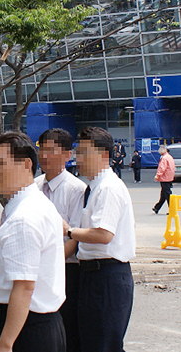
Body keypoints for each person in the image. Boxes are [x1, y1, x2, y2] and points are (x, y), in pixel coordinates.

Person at [0, 131, 66, 352]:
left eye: (0, 164)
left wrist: (5, 343)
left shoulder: (24, 217)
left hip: (25, 329)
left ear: (26, 165)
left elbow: (24, 287)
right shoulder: (35, 203)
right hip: (39, 324)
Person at [63, 126, 135, 352]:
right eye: (78, 152)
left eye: (85, 153)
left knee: (103, 344)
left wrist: (69, 231)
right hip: (92, 275)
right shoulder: (95, 188)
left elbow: (103, 234)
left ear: (104, 155)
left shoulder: (108, 188)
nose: (79, 159)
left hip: (107, 276)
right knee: (90, 341)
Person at [36, 128, 86, 352]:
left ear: (68, 155)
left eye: (51, 151)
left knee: (66, 329)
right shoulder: (33, 187)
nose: (44, 156)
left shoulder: (77, 189)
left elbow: (75, 237)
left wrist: (51, 262)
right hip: (36, 269)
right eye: (41, 150)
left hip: (66, 271)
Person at [153, 145, 176, 214]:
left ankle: (172, 209)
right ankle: (157, 207)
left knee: (167, 194)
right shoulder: (169, 157)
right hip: (169, 177)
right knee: (164, 194)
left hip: (165, 178)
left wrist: (157, 175)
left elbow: (162, 168)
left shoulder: (164, 158)